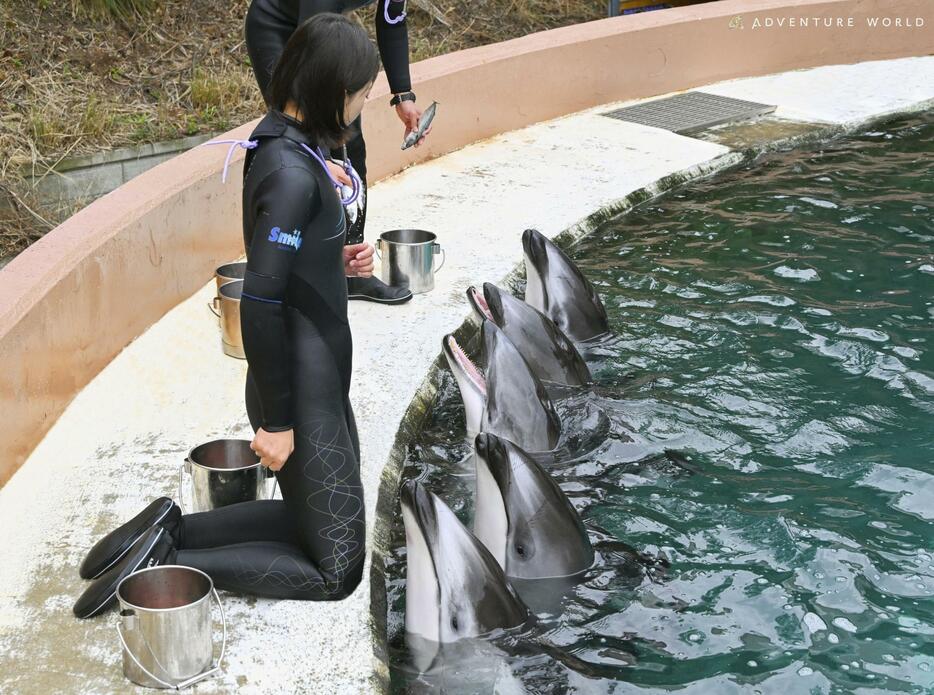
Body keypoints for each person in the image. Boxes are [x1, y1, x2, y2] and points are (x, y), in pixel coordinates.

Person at [73, 14, 380, 618]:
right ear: (329, 90)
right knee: (336, 569)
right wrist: (279, 422)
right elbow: (261, 297)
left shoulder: (284, 142)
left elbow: (283, 265)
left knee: (316, 520)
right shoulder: (293, 172)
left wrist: (328, 260)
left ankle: (174, 529)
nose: (362, 105)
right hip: (300, 385)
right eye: (361, 94)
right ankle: (164, 563)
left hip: (315, 369)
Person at [246, 0, 430, 305]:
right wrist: (318, 158)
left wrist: (403, 95)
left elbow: (392, 20)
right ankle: (311, 272)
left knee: (351, 145)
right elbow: (315, 45)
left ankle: (353, 271)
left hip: (328, 29)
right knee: (304, 139)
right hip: (280, 28)